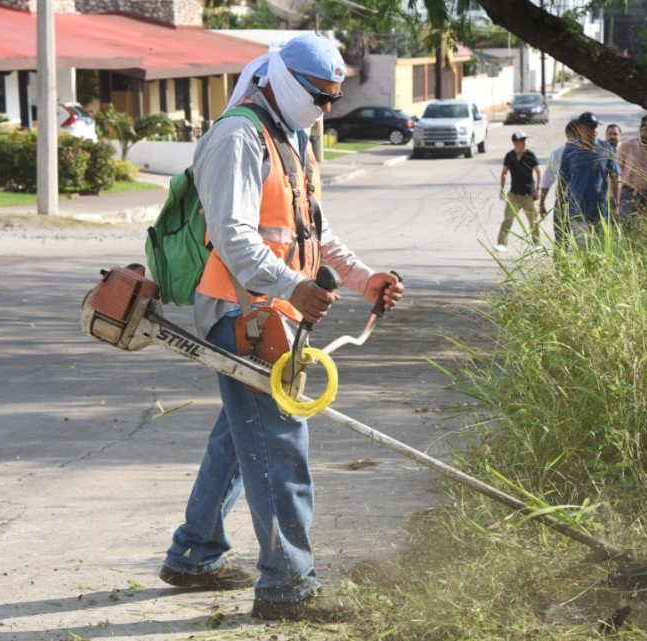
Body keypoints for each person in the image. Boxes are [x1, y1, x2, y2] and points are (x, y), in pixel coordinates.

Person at [157, 35, 405, 623]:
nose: (326, 108)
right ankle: (287, 588)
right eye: (320, 97)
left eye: (333, 99)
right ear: (286, 81)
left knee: (239, 436)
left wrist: (363, 277)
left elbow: (314, 230)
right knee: (278, 447)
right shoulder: (238, 137)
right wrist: (293, 286)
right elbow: (234, 237)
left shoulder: (291, 137)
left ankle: (194, 554)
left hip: (275, 310)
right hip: (241, 314)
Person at [557, 111, 620, 242]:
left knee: (600, 246)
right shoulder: (570, 149)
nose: (593, 130)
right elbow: (562, 179)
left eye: (595, 127)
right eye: (589, 127)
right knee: (582, 246)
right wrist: (561, 203)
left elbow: (615, 177)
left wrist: (615, 204)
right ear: (580, 128)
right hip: (576, 209)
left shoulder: (605, 148)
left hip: (600, 209)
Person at [496, 130, 542, 250]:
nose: (524, 143)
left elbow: (538, 171)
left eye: (525, 140)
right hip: (514, 194)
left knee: (534, 220)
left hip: (528, 194)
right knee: (508, 219)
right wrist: (502, 189)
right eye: (522, 141)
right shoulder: (510, 156)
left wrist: (538, 189)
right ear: (515, 143)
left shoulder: (530, 155)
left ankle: (537, 244)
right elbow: (504, 173)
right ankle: (501, 244)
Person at [538, 119, 580, 243]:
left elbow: (547, 180)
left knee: (580, 241)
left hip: (581, 203)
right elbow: (547, 180)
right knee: (562, 240)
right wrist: (541, 203)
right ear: (568, 134)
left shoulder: (588, 152)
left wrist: (542, 203)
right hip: (563, 201)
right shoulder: (558, 153)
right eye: (577, 134)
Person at [616, 115, 647, 218]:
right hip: (628, 193)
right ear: (640, 130)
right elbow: (615, 172)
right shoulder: (627, 145)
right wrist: (613, 197)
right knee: (626, 223)